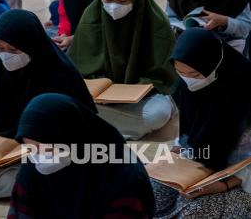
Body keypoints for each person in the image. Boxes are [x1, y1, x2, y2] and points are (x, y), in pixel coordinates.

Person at [0, 10, 96, 201]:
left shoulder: (62, 75)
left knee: (47, 172)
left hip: (46, 150)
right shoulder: (2, 69)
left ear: (32, 45)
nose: (7, 56)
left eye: (14, 50)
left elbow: (79, 131)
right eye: (0, 49)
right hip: (4, 149)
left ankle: (11, 183)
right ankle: (13, 183)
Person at [68, 0, 177, 140]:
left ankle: (98, 126)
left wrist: (132, 90)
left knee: (157, 114)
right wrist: (98, 89)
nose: (113, 6)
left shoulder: (156, 24)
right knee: (65, 99)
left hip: (141, 95)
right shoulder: (91, 16)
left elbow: (164, 76)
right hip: (101, 98)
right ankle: (118, 127)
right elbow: (79, 65)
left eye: (122, 0)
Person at [153, 28, 251, 218]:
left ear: (217, 65)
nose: (189, 80)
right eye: (180, 72)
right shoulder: (187, 86)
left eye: (195, 75)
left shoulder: (244, 93)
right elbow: (189, 133)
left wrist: (225, 183)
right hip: (194, 166)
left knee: (194, 213)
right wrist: (173, 154)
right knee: (147, 192)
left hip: (238, 177)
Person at [8, 93, 155, 218]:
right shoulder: (34, 167)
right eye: (30, 149)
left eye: (44, 149)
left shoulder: (124, 176)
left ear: (70, 138)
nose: (38, 156)